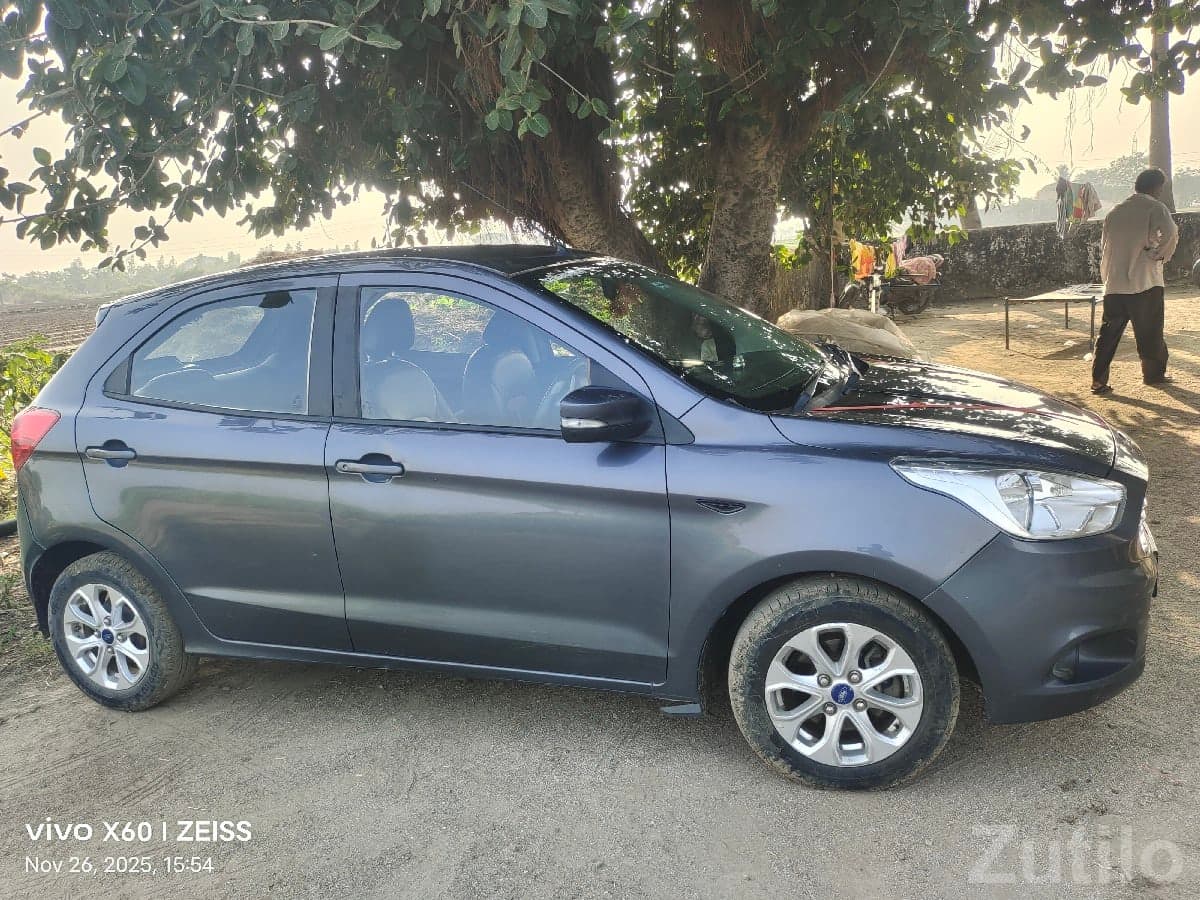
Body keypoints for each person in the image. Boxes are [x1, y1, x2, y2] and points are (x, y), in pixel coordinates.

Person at [1091, 168, 1179, 394]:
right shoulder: (1154, 207)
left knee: (1108, 334)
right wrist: (1157, 255)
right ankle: (1153, 375)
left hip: (1114, 284)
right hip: (1144, 282)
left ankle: (1098, 380)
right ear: (1156, 187)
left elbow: (1105, 246)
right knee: (1150, 331)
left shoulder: (1115, 212)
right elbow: (1171, 233)